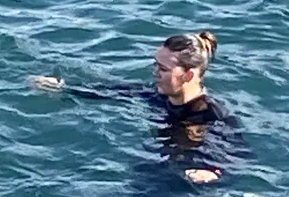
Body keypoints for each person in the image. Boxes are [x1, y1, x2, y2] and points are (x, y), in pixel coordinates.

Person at [30, 31, 248, 185]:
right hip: (156, 170)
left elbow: (240, 158)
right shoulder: (157, 96)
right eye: (155, 64)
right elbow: (111, 92)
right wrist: (64, 88)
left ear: (188, 75)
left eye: (162, 68)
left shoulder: (212, 114)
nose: (154, 72)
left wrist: (215, 173)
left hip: (185, 186)